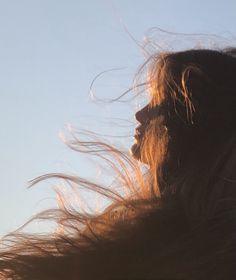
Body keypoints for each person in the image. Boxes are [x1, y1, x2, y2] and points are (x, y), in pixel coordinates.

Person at [0, 48, 236, 280]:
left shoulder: (158, 247)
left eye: (157, 102)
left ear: (190, 119)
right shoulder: (207, 239)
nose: (140, 114)